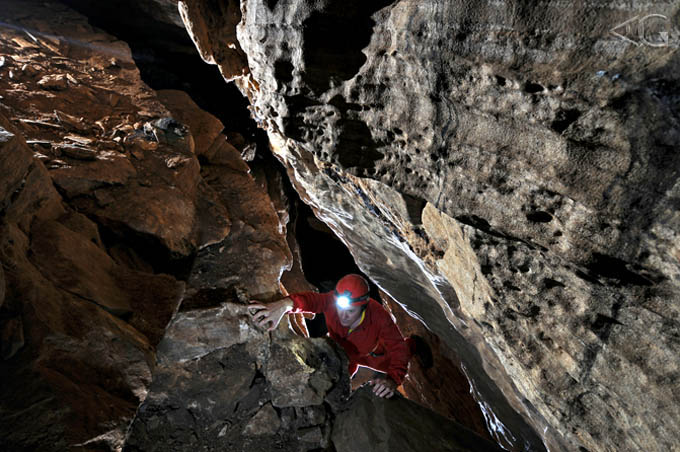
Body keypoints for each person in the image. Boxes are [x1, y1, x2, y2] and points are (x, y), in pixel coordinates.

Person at [249, 274, 414, 398]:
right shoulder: (333, 302)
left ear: (363, 307)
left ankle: (415, 344)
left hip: (372, 355)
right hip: (341, 351)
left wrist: (393, 379)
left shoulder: (378, 316)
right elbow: (311, 301)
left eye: (350, 312)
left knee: (406, 350)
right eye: (341, 309)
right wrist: (284, 305)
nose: (343, 316)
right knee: (334, 388)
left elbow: (398, 349)